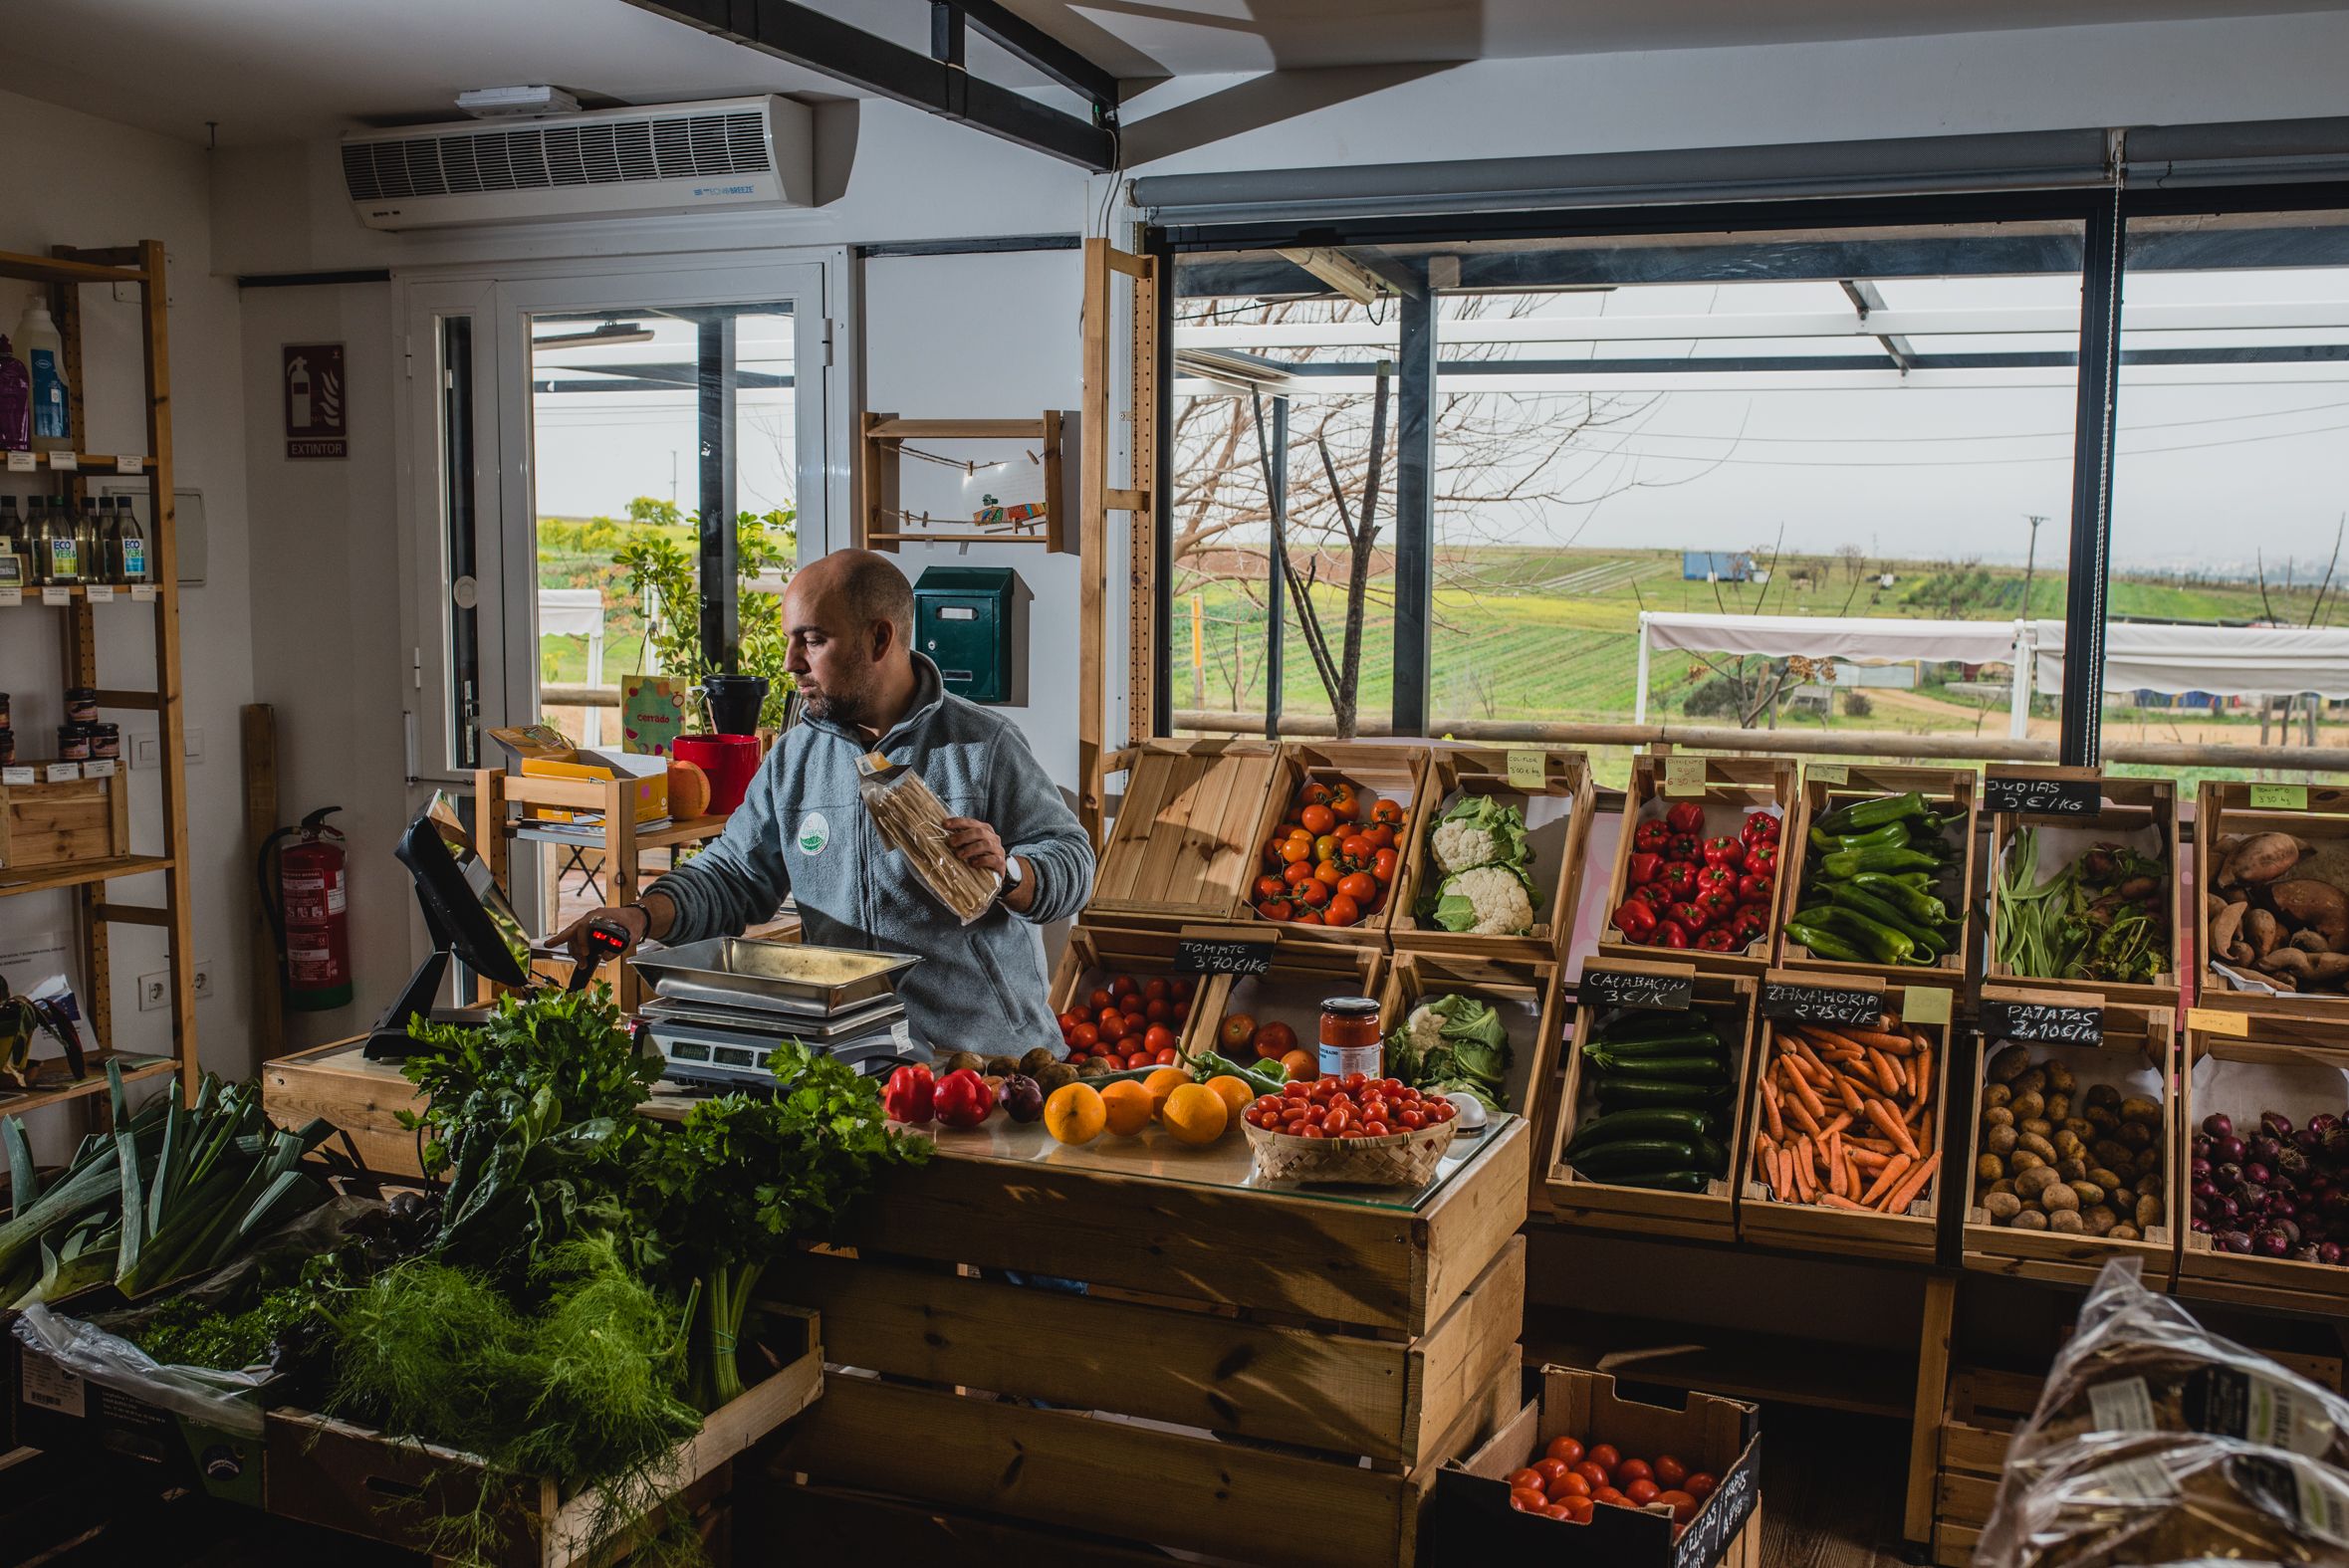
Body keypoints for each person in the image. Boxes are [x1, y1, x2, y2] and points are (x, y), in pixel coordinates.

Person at [556, 550, 1094, 1059]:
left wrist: (1011, 873)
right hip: (852, 1056)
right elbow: (733, 877)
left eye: (811, 640)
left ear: (879, 638)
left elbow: (1073, 860)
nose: (791, 663)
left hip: (984, 1063)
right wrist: (641, 915)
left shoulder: (984, 744)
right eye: (792, 640)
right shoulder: (794, 758)